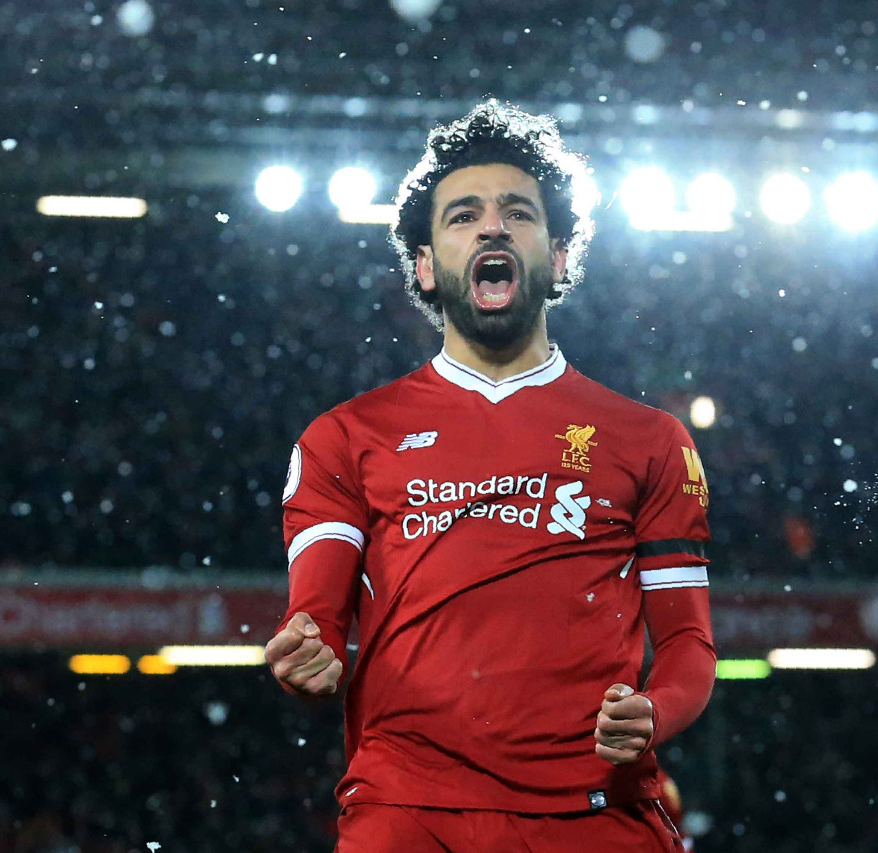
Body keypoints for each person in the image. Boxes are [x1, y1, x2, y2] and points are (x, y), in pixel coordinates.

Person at [265, 100, 716, 852]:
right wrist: (305, 654)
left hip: (595, 814)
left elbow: (689, 643)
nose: (492, 228)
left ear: (560, 256)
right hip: (408, 815)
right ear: (424, 265)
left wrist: (654, 710)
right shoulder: (344, 438)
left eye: (518, 213)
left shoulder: (651, 440)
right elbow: (315, 621)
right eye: (463, 215)